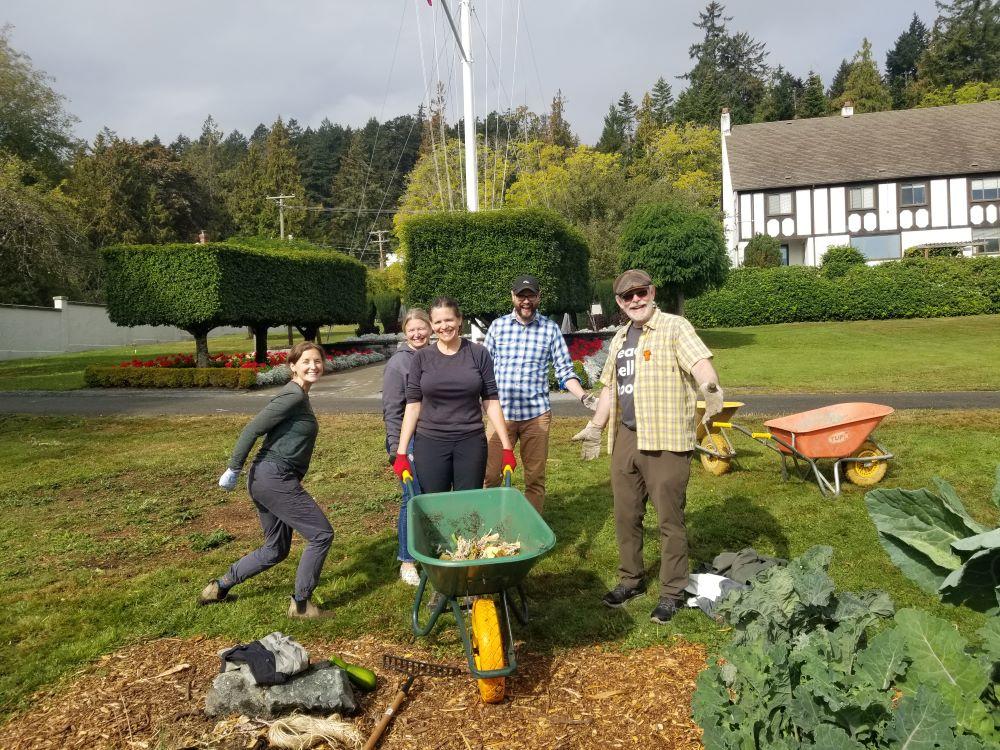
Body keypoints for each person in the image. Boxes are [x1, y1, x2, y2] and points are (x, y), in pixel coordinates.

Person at [571, 269, 725, 625]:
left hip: (666, 438)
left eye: (641, 292)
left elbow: (700, 364)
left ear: (652, 292)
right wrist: (596, 426)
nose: (636, 300)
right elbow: (610, 387)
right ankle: (631, 580)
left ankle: (671, 592)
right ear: (619, 302)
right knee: (626, 515)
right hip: (626, 436)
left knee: (670, 519)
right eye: (628, 296)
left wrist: (710, 387)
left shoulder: (674, 327)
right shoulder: (620, 337)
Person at [199, 341, 334, 619]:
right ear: (292, 366)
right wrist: (233, 468)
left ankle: (218, 587)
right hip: (274, 478)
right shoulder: (293, 395)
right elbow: (253, 428)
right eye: (306, 361)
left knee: (276, 549)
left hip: (267, 479)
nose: (313, 366)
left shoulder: (299, 395)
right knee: (321, 534)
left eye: (317, 361)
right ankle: (301, 605)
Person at [483, 275, 596, 513]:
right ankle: (490, 522)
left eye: (531, 295)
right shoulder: (498, 327)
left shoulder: (549, 329)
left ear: (538, 297)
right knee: (490, 474)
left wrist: (584, 396)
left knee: (535, 478)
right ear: (513, 297)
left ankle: (530, 526)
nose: (526, 301)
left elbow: (565, 370)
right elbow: (484, 370)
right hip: (501, 414)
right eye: (521, 296)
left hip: (536, 416)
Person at [392, 297, 516, 493]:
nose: (444, 326)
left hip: (471, 442)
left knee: (467, 505)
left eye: (449, 320)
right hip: (430, 443)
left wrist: (507, 448)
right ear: (432, 325)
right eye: (438, 322)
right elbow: (413, 405)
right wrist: (401, 452)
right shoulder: (422, 358)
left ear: (459, 320)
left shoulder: (479, 353)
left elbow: (491, 401)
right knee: (434, 505)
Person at [382, 308, 432, 586]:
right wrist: (396, 449)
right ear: (405, 332)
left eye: (421, 328)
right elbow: (392, 410)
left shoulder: (435, 355)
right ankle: (407, 560)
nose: (417, 334)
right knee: (412, 496)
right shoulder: (398, 364)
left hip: (434, 436)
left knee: (430, 495)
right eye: (411, 330)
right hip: (407, 439)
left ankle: (427, 549)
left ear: (430, 328)